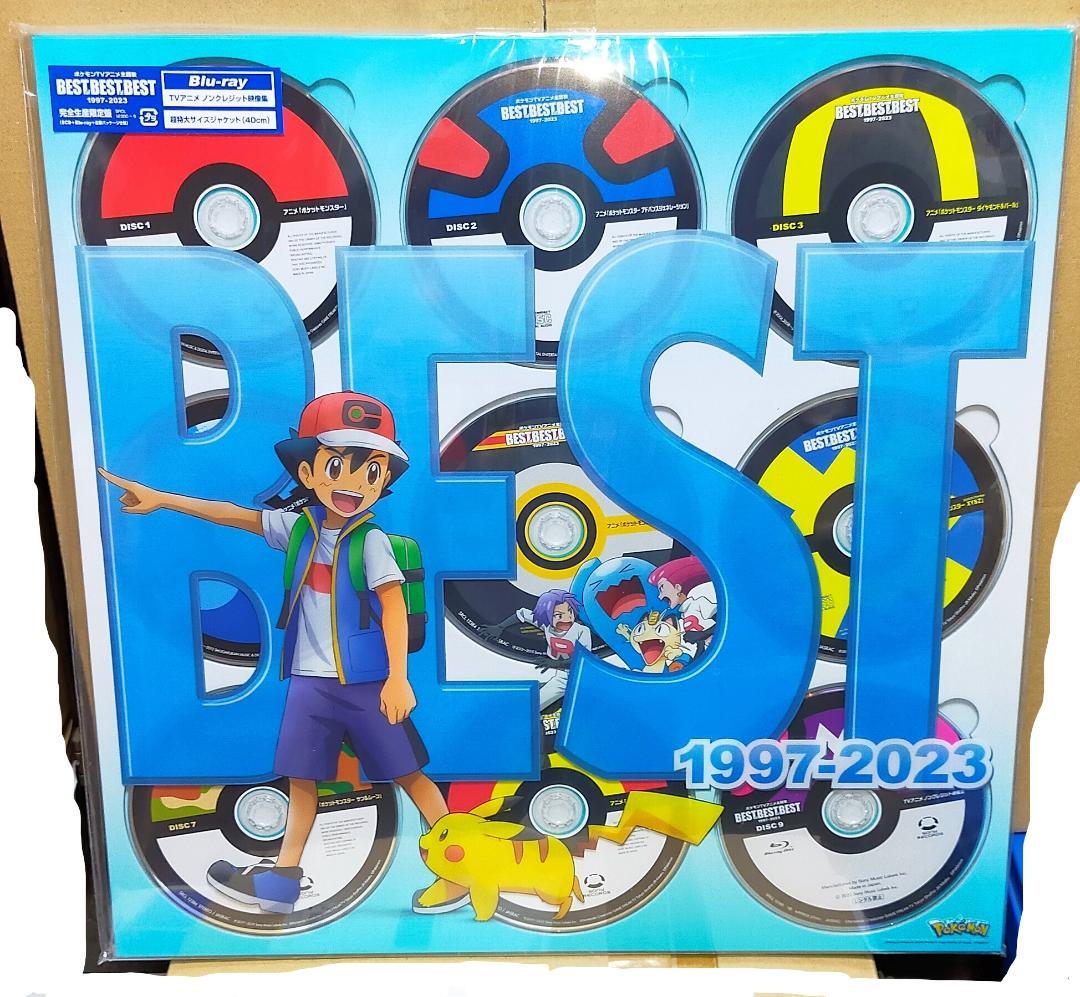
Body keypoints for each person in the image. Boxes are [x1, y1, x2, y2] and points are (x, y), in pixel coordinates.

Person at [99, 391, 467, 916]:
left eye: (372, 473)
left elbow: (391, 607)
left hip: (365, 682)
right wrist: (161, 498)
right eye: (337, 467)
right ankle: (282, 883)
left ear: (384, 480)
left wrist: (398, 678)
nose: (354, 485)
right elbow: (234, 515)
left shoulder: (373, 543)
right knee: (301, 780)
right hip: (308, 681)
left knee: (409, 775)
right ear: (308, 472)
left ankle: (459, 869)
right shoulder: (298, 529)